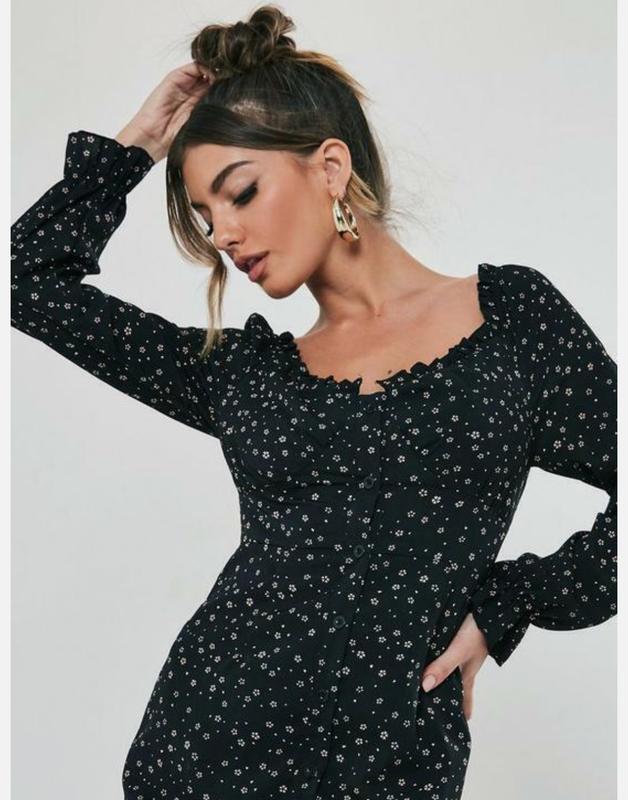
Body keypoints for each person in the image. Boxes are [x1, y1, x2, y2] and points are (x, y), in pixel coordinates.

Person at [11, 6, 616, 800]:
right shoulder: (248, 376)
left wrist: (509, 603)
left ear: (330, 167)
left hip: (391, 767)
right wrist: (139, 143)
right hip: (204, 753)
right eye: (204, 216)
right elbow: (29, 283)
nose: (223, 234)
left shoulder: (509, 322)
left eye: (241, 193)